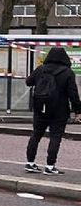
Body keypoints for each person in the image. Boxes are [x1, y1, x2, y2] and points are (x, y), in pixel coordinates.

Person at [24, 47, 81, 175]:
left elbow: (28, 82)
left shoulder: (41, 69)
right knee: (55, 137)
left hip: (40, 108)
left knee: (36, 135)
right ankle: (50, 166)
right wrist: (78, 111)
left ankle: (30, 163)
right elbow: (73, 94)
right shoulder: (67, 72)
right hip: (59, 111)